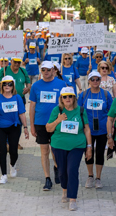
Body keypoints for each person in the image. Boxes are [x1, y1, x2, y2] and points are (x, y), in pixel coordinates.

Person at [46, 87, 92, 211]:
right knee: (62, 171)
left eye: (70, 96)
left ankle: (73, 198)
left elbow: (87, 129)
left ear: (74, 98)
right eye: (65, 97)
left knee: (72, 169)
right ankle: (65, 190)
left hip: (77, 146)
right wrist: (58, 120)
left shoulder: (81, 111)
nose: (68, 99)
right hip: (59, 145)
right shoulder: (57, 110)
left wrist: (89, 147)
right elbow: (48, 128)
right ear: (61, 98)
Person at [29, 61, 68, 191]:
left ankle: (57, 168)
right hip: (41, 123)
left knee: (56, 150)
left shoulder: (61, 84)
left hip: (57, 123)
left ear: (53, 70)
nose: (46, 72)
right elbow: (32, 106)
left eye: (48, 70)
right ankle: (47, 179)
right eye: (43, 70)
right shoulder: (35, 86)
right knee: (44, 151)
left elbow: (67, 104)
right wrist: (32, 125)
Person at [0, 75, 29, 184]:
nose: (7, 86)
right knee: (2, 150)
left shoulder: (17, 98)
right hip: (0, 128)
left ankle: (13, 165)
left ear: (13, 85)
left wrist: (25, 128)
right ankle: (3, 175)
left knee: (13, 150)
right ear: (2, 85)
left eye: (10, 84)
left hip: (14, 127)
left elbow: (22, 113)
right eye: (5, 84)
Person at [77, 71, 113, 189]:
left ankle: (98, 177)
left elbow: (111, 113)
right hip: (88, 129)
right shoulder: (84, 95)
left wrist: (110, 131)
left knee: (100, 154)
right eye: (93, 79)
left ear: (100, 81)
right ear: (89, 81)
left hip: (102, 129)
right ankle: (90, 176)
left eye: (97, 79)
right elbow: (78, 111)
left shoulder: (106, 94)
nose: (95, 82)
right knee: (88, 152)